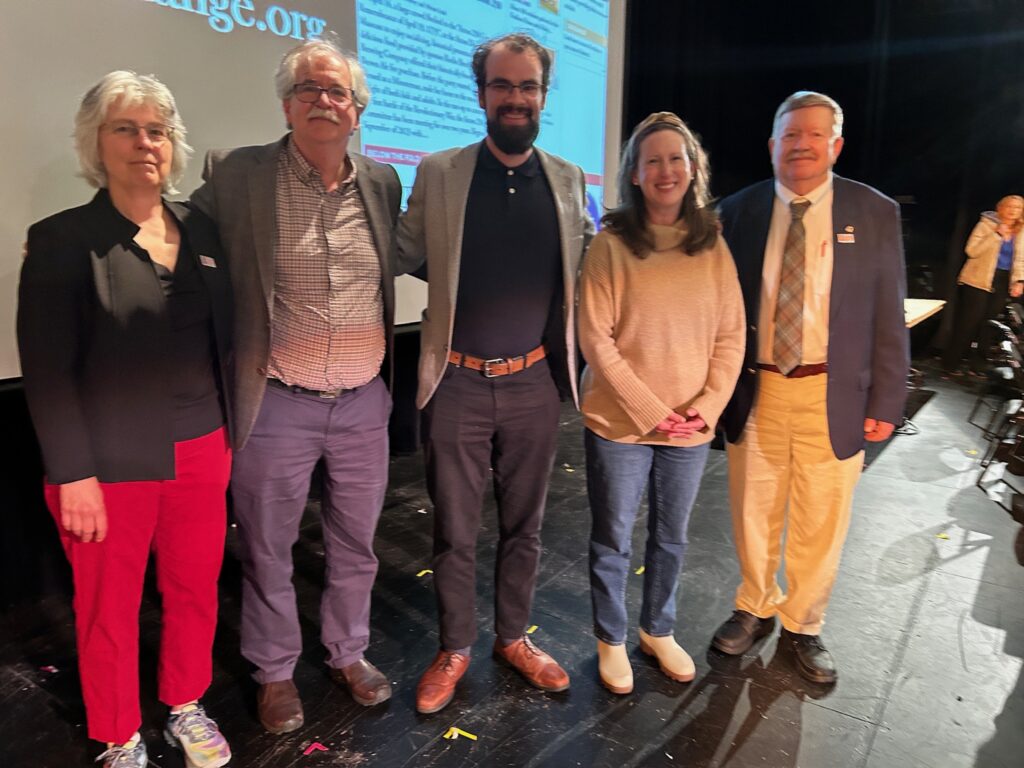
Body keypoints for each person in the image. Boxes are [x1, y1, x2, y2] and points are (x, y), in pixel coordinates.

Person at [17, 71, 233, 768]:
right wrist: (72, 474)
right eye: (126, 128)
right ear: (96, 143)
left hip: (204, 446)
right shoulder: (60, 240)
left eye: (157, 130)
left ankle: (186, 705)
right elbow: (47, 370)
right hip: (109, 465)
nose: (145, 143)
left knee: (196, 590)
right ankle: (119, 736)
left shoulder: (203, 230)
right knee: (108, 610)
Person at [190, 38, 401, 733]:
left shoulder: (381, 182)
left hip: (364, 402)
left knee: (355, 543)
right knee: (269, 547)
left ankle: (347, 652)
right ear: (286, 103)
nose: (323, 100)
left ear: (356, 110)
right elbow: (173, 232)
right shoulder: (239, 175)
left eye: (337, 91)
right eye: (310, 88)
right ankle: (275, 671)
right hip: (277, 401)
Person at [395, 32, 595, 714]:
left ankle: (513, 637)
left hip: (535, 384)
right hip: (455, 381)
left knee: (526, 527)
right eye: (503, 86)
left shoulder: (568, 180)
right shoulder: (441, 172)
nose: (516, 98)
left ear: (543, 95)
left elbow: (591, 268)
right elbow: (404, 250)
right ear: (481, 94)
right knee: (454, 530)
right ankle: (454, 646)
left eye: (528, 86)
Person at [712, 91, 909, 684]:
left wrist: (888, 401)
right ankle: (754, 605)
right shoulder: (736, 212)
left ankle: (803, 622)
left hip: (836, 391)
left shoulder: (872, 211)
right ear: (772, 145)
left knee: (823, 516)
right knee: (753, 509)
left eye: (814, 134)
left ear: (836, 145)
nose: (801, 144)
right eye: (789, 134)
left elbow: (887, 311)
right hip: (759, 388)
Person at [578, 112, 745, 694]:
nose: (665, 169)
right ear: (635, 173)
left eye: (676, 158)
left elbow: (731, 334)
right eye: (653, 160)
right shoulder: (611, 244)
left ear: (692, 167)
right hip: (620, 424)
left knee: (671, 538)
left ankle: (657, 629)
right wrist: (652, 411)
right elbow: (595, 339)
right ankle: (611, 638)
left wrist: (709, 405)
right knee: (613, 539)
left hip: (692, 427)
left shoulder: (713, 244)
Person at [942, 195, 1024, 375]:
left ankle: (977, 367)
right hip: (978, 278)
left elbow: (1020, 259)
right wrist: (996, 235)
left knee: (989, 325)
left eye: (1018, 208)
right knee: (968, 323)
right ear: (1001, 208)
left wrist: (1019, 281)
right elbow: (971, 250)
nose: (1013, 210)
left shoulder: (1021, 230)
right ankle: (950, 364)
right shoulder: (987, 224)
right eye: (1010, 206)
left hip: (1002, 280)